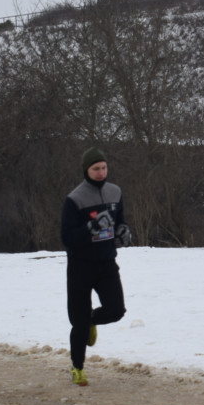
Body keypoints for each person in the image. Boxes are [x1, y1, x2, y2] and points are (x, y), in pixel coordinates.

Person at [60, 147, 133, 387]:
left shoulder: (115, 192)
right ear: (86, 170)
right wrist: (89, 229)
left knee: (116, 310)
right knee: (78, 322)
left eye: (103, 167)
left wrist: (122, 232)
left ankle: (92, 320)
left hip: (106, 263)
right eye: (96, 168)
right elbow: (67, 237)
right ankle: (77, 368)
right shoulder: (75, 199)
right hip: (80, 266)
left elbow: (120, 222)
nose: (101, 172)